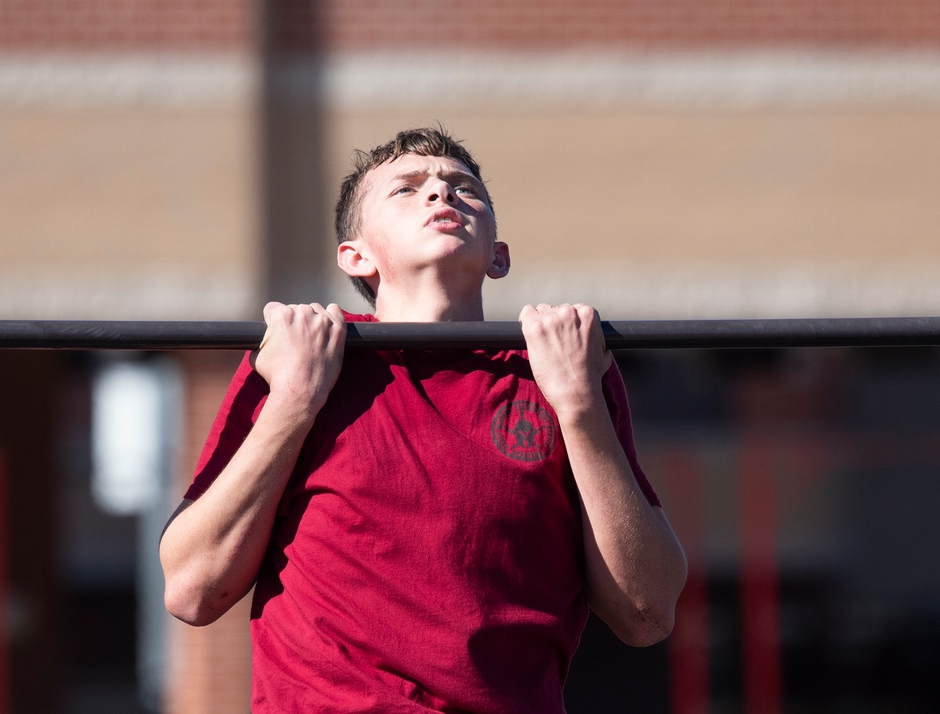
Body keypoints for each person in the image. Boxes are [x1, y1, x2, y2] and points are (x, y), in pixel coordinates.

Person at [159, 127, 687, 712]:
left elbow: (648, 611)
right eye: (407, 189)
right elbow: (192, 591)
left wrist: (581, 407)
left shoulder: (562, 369)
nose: (441, 193)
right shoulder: (301, 359)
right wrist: (292, 404)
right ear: (355, 255)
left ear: (499, 255)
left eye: (464, 188)